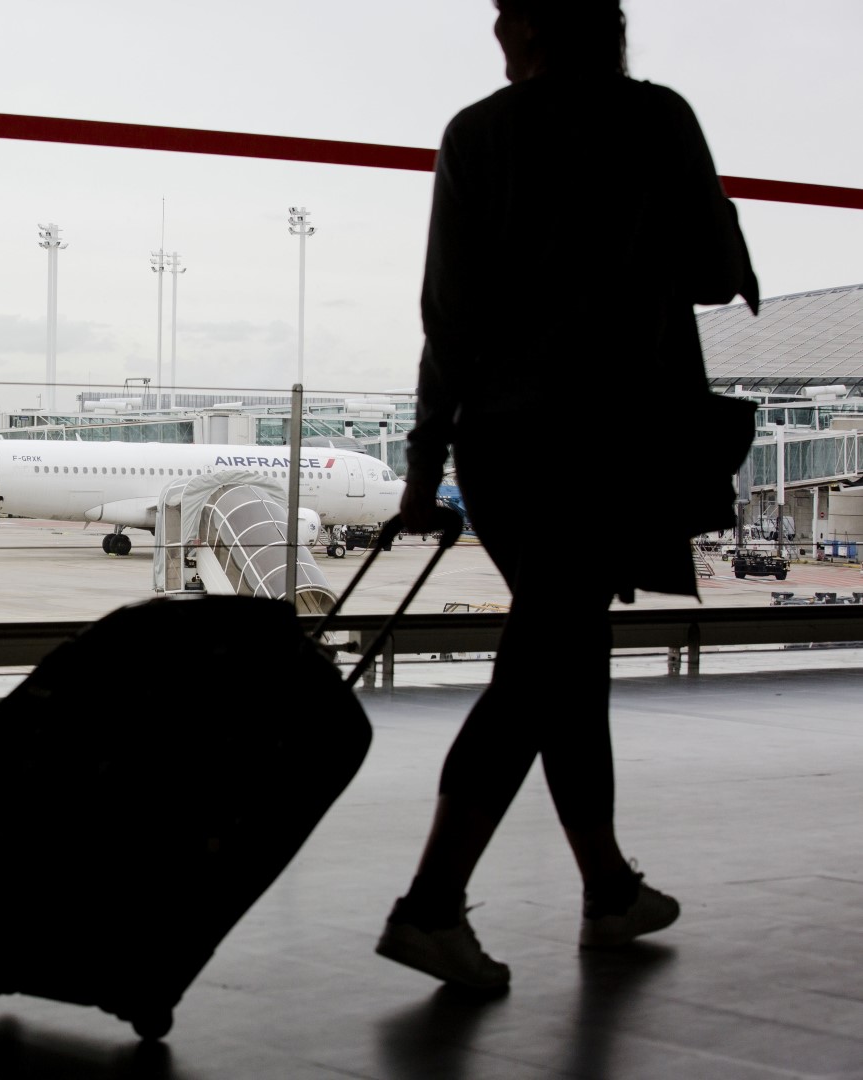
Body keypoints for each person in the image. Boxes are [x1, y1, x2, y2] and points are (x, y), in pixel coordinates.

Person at [381, 0, 757, 991]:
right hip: (608, 439)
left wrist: (424, 468)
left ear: (542, 27)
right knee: (547, 663)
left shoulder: (477, 132)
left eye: (506, 12)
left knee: (564, 657)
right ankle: (430, 905)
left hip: (502, 447)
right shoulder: (657, 118)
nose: (496, 30)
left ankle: (608, 889)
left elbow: (447, 318)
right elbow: (716, 271)